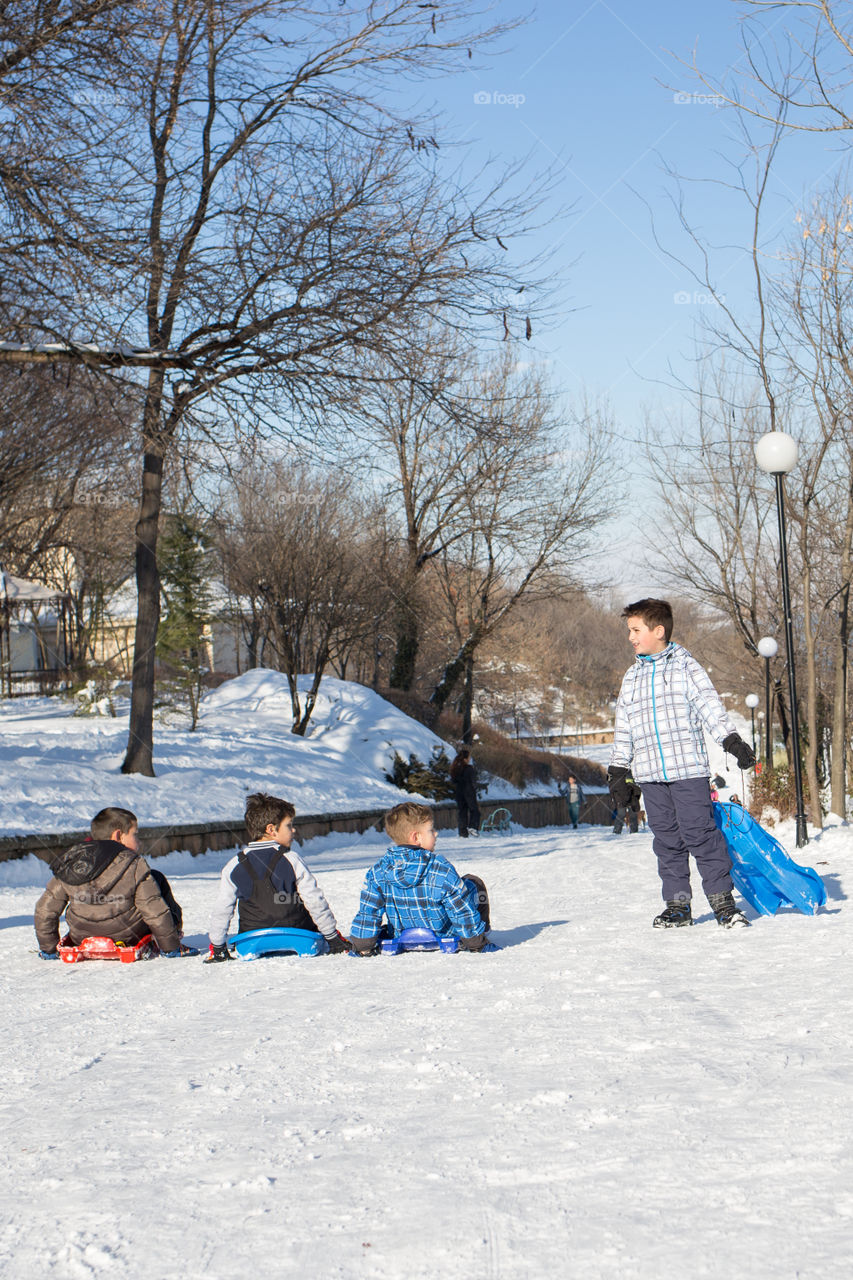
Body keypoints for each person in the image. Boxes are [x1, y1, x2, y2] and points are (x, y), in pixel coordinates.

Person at [607, 598, 756, 929]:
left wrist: (730, 740)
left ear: (658, 631)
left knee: (701, 834)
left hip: (687, 770)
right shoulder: (631, 677)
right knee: (666, 840)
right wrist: (619, 770)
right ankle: (678, 905)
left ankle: (723, 903)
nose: (630, 637)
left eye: (635, 630)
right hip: (650, 775)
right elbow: (624, 727)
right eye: (629, 630)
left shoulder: (686, 667)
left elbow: (709, 706)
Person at [34, 806, 196, 958]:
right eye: (134, 834)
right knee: (156, 877)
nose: (138, 841)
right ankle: (173, 938)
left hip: (81, 935)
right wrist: (170, 947)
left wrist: (48, 949)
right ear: (118, 835)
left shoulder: (72, 862)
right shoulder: (135, 864)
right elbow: (153, 910)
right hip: (129, 936)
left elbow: (45, 910)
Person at [205, 792, 349, 962]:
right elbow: (314, 900)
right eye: (289, 825)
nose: (293, 830)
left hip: (251, 938)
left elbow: (223, 908)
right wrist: (331, 936)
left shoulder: (233, 864)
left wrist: (218, 945)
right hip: (299, 934)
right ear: (271, 830)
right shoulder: (291, 859)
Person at [348, 801, 493, 955]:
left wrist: (363, 946)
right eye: (431, 830)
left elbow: (369, 911)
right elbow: (461, 908)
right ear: (416, 837)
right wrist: (476, 943)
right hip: (444, 935)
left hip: (400, 935)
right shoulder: (440, 868)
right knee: (473, 883)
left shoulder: (378, 871)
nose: (436, 834)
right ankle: (480, 934)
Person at [449, 748, 481, 837]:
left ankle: (462, 833)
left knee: (462, 812)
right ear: (465, 758)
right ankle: (473, 827)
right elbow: (473, 781)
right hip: (469, 792)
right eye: (469, 757)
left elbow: (453, 781)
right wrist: (475, 788)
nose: (470, 759)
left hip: (459, 793)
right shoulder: (469, 769)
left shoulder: (455, 768)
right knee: (475, 811)